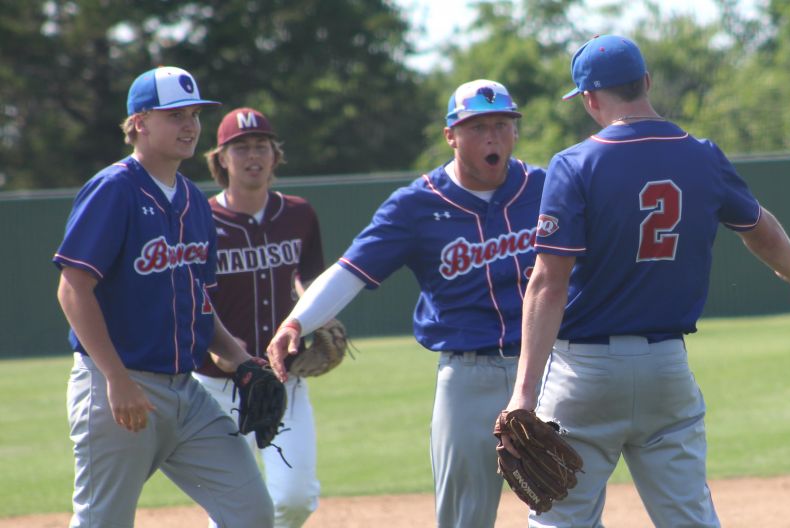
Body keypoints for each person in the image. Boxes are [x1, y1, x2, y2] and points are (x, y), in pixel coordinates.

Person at [497, 34, 790, 527]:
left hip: (585, 373)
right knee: (689, 517)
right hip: (666, 368)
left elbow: (547, 283)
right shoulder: (702, 155)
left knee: (560, 520)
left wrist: (523, 391)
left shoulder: (575, 163)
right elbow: (761, 228)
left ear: (589, 98)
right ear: (645, 82)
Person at [266, 79, 546, 528]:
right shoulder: (416, 205)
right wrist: (297, 322)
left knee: (567, 501)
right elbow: (352, 270)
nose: (492, 137)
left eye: (502, 124)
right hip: (468, 374)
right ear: (450, 135)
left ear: (515, 131)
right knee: (464, 517)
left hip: (548, 366)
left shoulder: (546, 187)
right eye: (477, 127)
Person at [54, 67, 274, 527]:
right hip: (118, 384)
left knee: (251, 511)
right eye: (175, 115)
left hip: (185, 393)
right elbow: (73, 288)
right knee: (102, 522)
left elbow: (197, 299)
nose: (190, 125)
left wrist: (238, 357)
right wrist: (116, 379)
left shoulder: (194, 199)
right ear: (139, 122)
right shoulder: (114, 189)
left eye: (194, 114)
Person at [192, 107, 325, 527]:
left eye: (262, 146)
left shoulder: (299, 213)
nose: (254, 155)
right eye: (242, 147)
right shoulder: (200, 217)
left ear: (275, 155)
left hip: (284, 378)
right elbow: (190, 293)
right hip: (217, 386)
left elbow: (310, 278)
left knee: (295, 499)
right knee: (233, 506)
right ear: (221, 159)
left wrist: (316, 317)